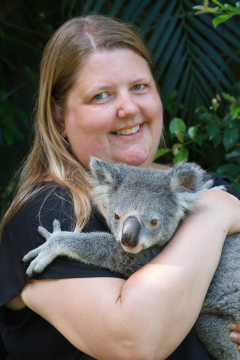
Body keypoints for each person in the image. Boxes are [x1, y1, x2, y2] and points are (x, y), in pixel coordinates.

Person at [0, 14, 240, 360]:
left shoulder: (201, 187)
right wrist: (213, 217)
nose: (129, 108)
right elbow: (136, 342)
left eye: (140, 87)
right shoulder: (47, 213)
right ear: (59, 117)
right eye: (101, 95)